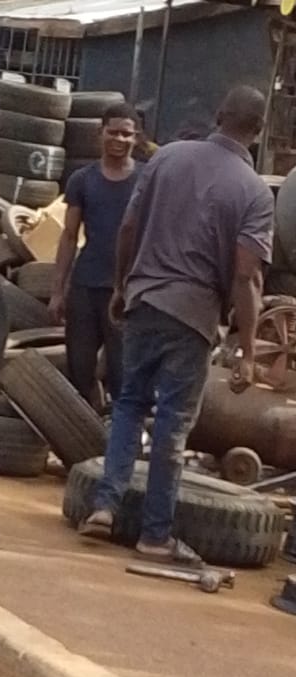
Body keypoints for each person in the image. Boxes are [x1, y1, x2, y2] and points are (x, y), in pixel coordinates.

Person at [79, 86, 274, 566]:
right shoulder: (253, 191)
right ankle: (155, 534)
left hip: (144, 299)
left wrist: (124, 287)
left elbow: (127, 228)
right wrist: (248, 351)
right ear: (259, 131)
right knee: (172, 424)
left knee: (128, 403)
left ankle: (105, 505)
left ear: (218, 116)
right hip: (193, 316)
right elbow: (246, 275)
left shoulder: (167, 159)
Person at [50, 103, 141, 406]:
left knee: (122, 371)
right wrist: (58, 291)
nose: (119, 139)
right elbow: (68, 236)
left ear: (136, 138)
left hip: (127, 292)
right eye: (112, 131)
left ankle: (117, 435)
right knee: (80, 368)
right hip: (86, 286)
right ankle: (83, 432)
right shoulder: (82, 179)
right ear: (99, 133)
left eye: (126, 134)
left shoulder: (146, 181)